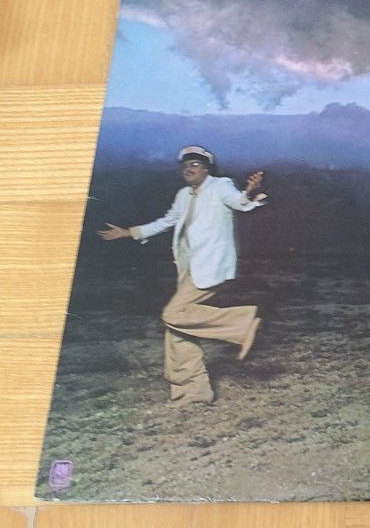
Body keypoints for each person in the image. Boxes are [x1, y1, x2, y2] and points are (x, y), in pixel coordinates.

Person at [98, 145, 267, 407]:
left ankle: (243, 323)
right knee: (177, 331)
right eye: (185, 165)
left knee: (173, 314)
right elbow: (167, 221)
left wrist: (248, 193)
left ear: (207, 169)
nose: (189, 169)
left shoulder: (220, 185)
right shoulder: (183, 195)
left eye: (195, 164)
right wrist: (130, 232)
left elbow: (239, 202)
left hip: (211, 266)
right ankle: (193, 391)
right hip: (188, 267)